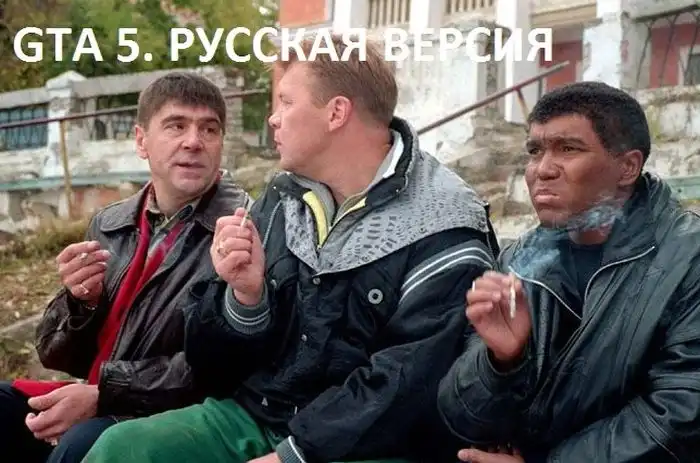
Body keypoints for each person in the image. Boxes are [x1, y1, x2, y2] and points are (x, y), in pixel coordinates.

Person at [82, 34, 500, 463]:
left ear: (336, 112)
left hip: (368, 446)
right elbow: (209, 366)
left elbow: (407, 384)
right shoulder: (282, 198)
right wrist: (244, 298)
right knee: (122, 449)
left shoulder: (444, 221)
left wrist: (293, 454)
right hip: (260, 415)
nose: (273, 119)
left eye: (285, 102)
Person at [437, 81, 700, 462]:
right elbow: (461, 420)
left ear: (627, 167)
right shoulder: (518, 263)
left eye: (568, 149)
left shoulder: (688, 258)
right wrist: (502, 363)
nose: (542, 170)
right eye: (535, 151)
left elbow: (680, 417)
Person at [0, 71, 252, 463]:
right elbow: (57, 356)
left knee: (81, 444)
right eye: (176, 125)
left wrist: (105, 395)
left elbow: (220, 367)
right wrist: (81, 303)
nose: (194, 141)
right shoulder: (111, 222)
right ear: (141, 141)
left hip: (168, 415)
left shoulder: (242, 230)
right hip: (99, 392)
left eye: (209, 129)